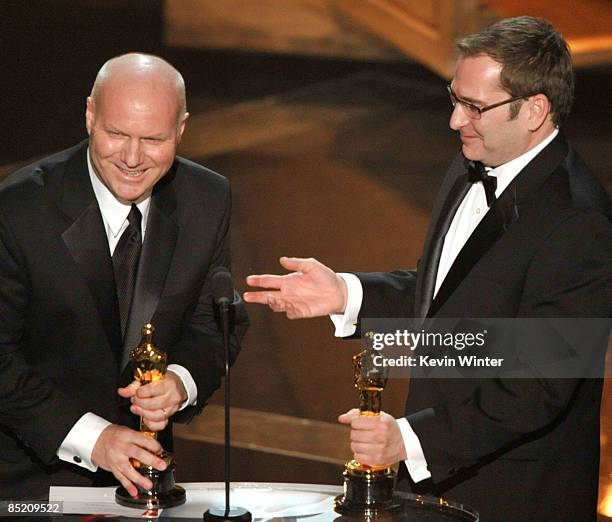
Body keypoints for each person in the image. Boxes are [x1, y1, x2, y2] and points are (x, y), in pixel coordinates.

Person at [244, 17, 612, 521]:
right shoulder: (469, 165)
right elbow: (445, 296)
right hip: (438, 482)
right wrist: (346, 294)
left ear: (535, 110)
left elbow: (539, 386)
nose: (455, 121)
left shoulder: (580, 223)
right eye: (455, 99)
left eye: (475, 107)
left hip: (515, 496)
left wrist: (408, 438)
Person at [0, 53, 248, 499]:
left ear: (181, 129)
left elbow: (215, 324)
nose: (133, 158)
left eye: (153, 139)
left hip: (145, 481)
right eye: (116, 134)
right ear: (90, 116)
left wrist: (180, 382)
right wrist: (94, 438)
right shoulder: (17, 211)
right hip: (27, 480)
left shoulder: (207, 199)